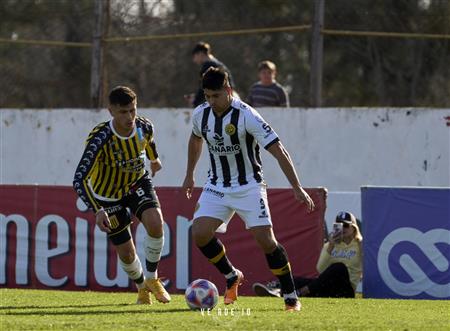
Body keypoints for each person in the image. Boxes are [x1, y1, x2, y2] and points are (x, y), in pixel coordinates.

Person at [181, 67, 315, 312]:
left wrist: (296, 187)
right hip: (217, 185)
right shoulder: (201, 114)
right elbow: (195, 139)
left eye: (216, 96)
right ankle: (231, 275)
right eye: (207, 96)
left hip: (249, 186)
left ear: (228, 91)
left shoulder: (247, 115)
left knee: (266, 241)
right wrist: (189, 174)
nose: (211, 101)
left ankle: (290, 295)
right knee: (199, 233)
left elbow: (278, 149)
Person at [73, 86, 171, 305]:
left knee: (156, 223)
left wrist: (155, 160)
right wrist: (98, 210)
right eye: (123, 112)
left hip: (137, 183)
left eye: (133, 110)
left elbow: (149, 142)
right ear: (111, 111)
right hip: (107, 196)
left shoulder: (144, 126)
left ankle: (153, 279)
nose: (130, 117)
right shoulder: (100, 138)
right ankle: (141, 289)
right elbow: (79, 179)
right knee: (126, 252)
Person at [252, 211, 363, 298]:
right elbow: (320, 269)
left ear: (354, 228)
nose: (343, 229)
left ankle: (301, 292)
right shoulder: (330, 245)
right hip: (330, 288)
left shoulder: (360, 245)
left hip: (346, 290)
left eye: (346, 225)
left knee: (339, 267)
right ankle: (278, 290)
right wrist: (330, 246)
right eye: (340, 225)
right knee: (298, 280)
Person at [185, 41, 235, 108]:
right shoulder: (217, 63)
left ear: (200, 53)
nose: (194, 60)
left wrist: (195, 101)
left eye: (195, 56)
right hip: (229, 96)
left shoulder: (208, 66)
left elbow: (204, 87)